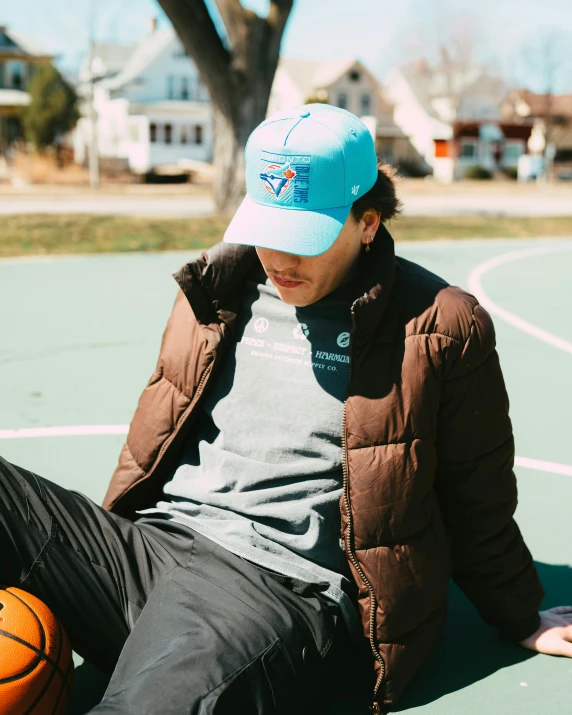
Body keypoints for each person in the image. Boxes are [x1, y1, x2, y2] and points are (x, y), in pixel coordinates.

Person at [2, 104, 571, 715]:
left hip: (271, 589)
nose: (279, 259)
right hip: (145, 550)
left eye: (303, 239)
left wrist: (519, 614)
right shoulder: (218, 288)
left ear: (368, 222)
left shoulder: (438, 326)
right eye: (266, 229)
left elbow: (476, 489)